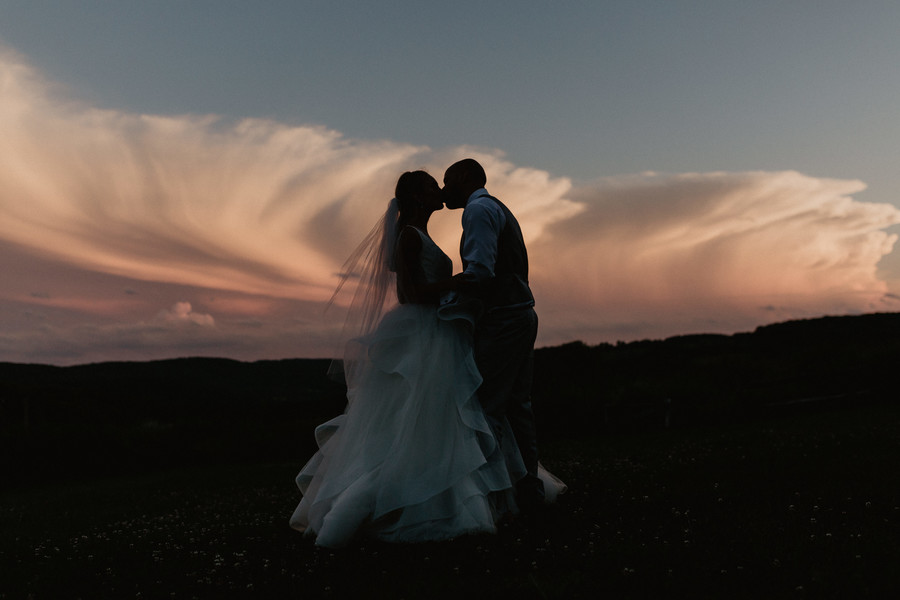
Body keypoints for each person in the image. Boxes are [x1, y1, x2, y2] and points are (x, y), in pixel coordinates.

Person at [289, 171, 525, 548]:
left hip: (437, 331)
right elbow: (410, 294)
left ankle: (441, 495)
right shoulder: (411, 237)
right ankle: (368, 511)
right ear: (417, 196)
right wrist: (456, 284)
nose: (440, 192)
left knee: (435, 422)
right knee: (415, 422)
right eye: (433, 186)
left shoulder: (419, 234)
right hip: (423, 334)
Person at [440, 158, 546, 510]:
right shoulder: (496, 206)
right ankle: (528, 486)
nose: (443, 190)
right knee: (519, 405)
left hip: (503, 319)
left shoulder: (477, 210)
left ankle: (491, 497)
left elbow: (480, 272)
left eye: (448, 181)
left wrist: (442, 295)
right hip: (521, 314)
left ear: (466, 178)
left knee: (488, 406)